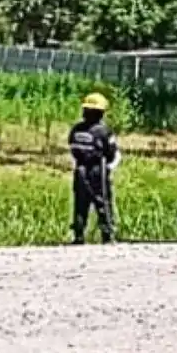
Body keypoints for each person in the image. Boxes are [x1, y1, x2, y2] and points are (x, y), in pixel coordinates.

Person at [68, 92, 122, 244]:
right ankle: (107, 235)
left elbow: (72, 149)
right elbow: (112, 153)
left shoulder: (76, 130)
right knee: (103, 202)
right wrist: (110, 168)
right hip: (98, 170)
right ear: (101, 112)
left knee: (80, 203)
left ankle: (78, 235)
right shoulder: (104, 131)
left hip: (80, 170)